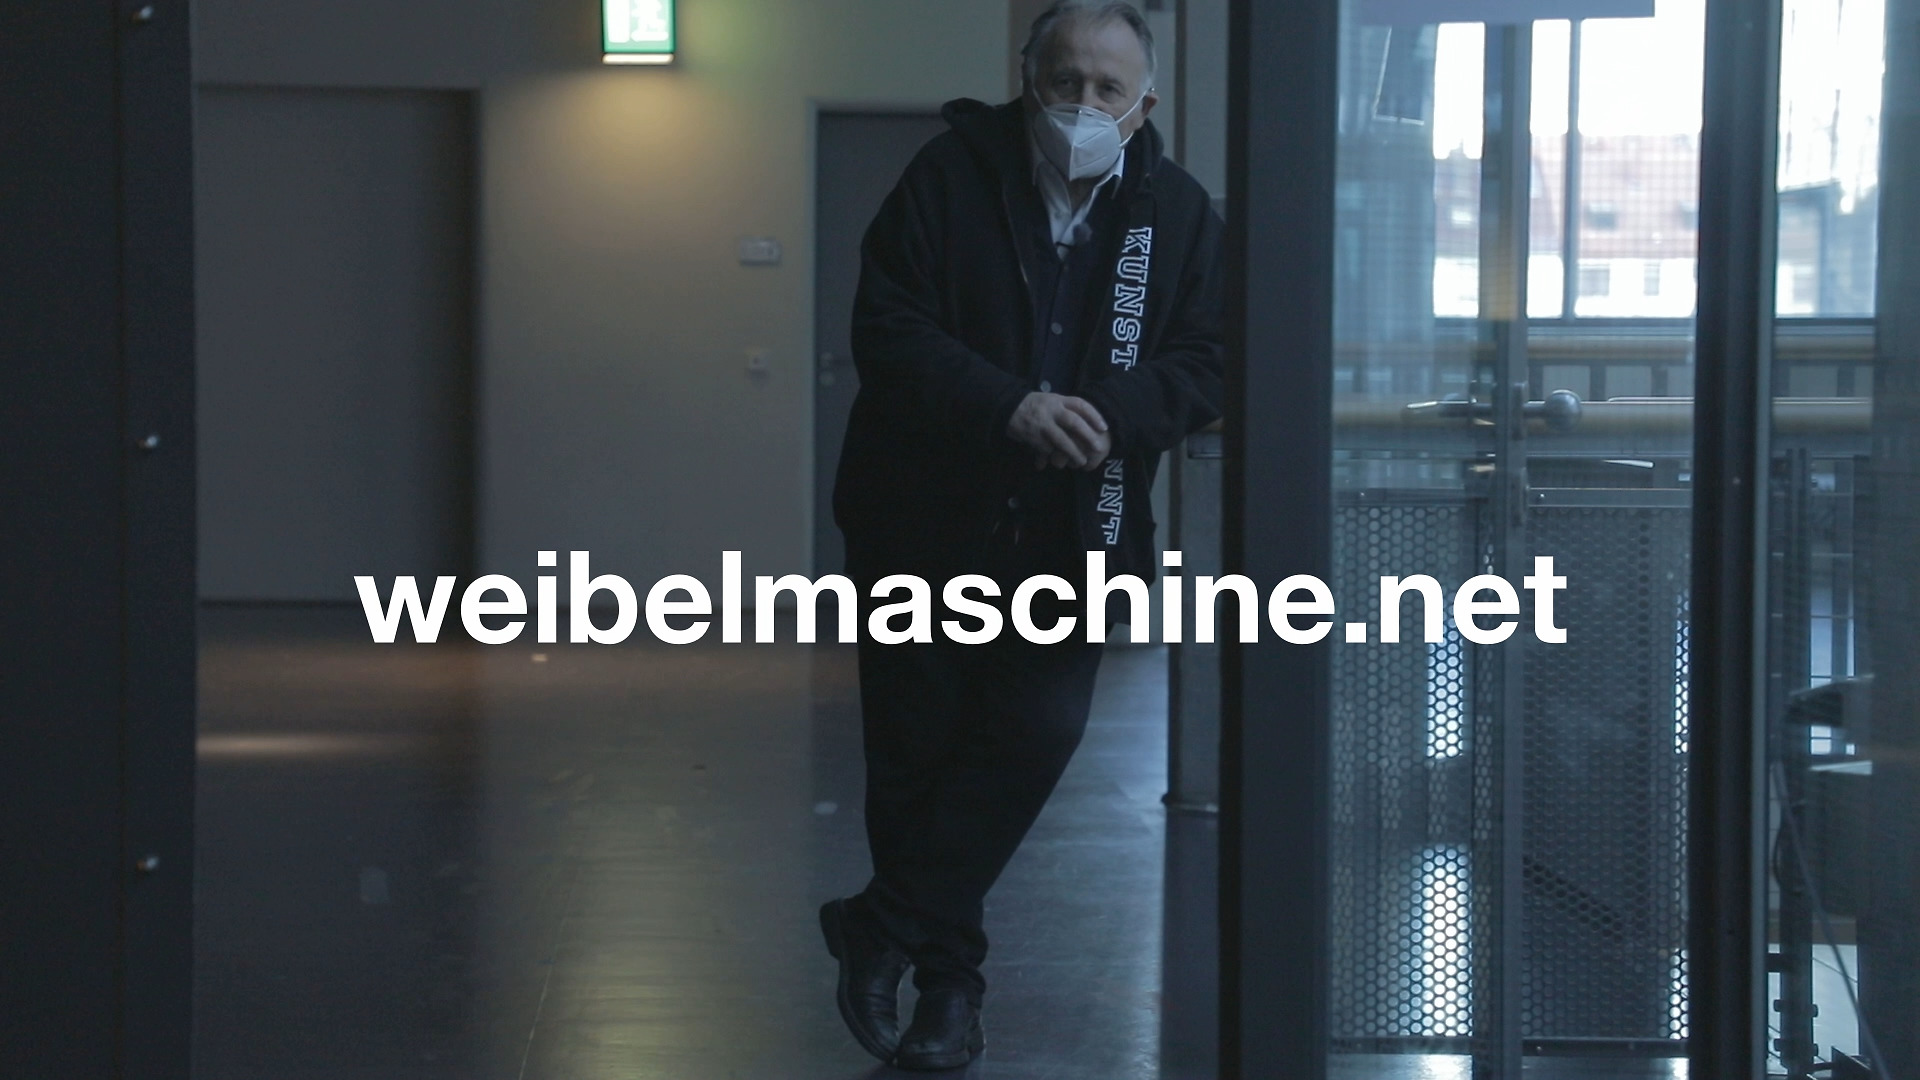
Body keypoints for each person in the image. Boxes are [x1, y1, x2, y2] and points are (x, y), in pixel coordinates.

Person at [820, 0, 1224, 1069]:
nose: (1084, 103)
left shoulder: (1179, 214)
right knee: (914, 757)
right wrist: (1008, 406)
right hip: (918, 521)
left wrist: (1113, 416)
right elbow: (888, 330)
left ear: (1144, 103)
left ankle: (881, 924)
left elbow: (1208, 357)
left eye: (1108, 87)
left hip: (1077, 531)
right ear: (1027, 79)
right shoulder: (946, 177)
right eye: (1065, 80)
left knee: (1037, 731)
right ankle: (949, 994)